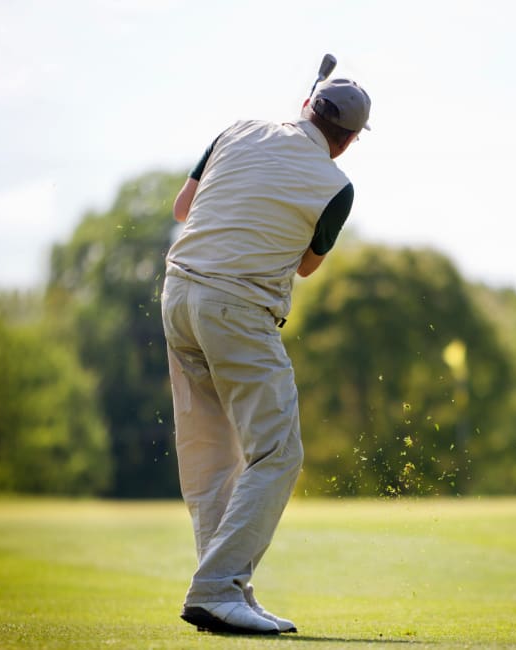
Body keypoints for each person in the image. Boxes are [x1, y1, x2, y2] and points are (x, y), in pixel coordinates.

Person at [160, 78, 371, 635]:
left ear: (306, 105)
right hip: (237, 310)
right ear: (349, 140)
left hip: (177, 297)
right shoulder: (337, 185)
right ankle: (216, 588)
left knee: (210, 458)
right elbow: (305, 265)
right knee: (276, 453)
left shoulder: (237, 129)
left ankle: (228, 593)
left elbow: (183, 207)